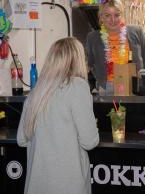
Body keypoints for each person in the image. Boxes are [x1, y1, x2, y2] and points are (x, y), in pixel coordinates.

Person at [17, 37, 99, 194]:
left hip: (37, 185)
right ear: (77, 59)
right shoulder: (77, 87)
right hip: (68, 185)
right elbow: (90, 141)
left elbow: (22, 139)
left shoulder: (37, 91)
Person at [86, 0, 145, 95]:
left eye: (117, 15)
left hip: (134, 84)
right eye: (107, 15)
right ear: (101, 17)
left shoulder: (136, 31)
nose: (113, 20)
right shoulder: (93, 37)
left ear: (122, 15)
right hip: (107, 87)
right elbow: (89, 63)